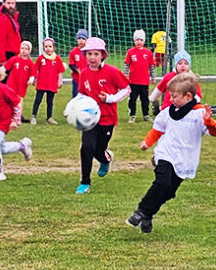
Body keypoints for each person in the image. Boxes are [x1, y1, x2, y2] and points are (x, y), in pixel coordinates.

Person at [126, 72, 216, 233]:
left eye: (174, 96)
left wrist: (209, 121)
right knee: (162, 183)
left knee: (169, 192)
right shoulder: (167, 112)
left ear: (188, 96)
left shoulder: (199, 113)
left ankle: (148, 215)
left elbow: (215, 131)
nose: (171, 99)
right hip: (165, 154)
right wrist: (147, 142)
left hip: (185, 160)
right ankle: (141, 211)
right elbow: (157, 130)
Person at [75, 37, 130, 194]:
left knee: (98, 150)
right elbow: (81, 93)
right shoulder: (84, 73)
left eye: (96, 54)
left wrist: (110, 98)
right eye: (89, 54)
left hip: (107, 118)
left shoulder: (111, 72)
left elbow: (126, 88)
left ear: (102, 56)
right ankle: (85, 182)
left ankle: (105, 159)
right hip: (89, 119)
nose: (92, 57)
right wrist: (74, 108)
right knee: (86, 147)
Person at [31, 37, 66, 124]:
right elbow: (36, 69)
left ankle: (49, 118)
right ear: (43, 47)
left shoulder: (57, 59)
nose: (48, 48)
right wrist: (34, 78)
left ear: (53, 47)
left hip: (52, 83)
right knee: (38, 100)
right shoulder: (41, 58)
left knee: (50, 101)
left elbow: (60, 71)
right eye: (46, 46)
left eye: (50, 46)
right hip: (42, 83)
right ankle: (33, 116)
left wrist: (60, 81)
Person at [124, 29, 156, 122]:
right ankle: (132, 115)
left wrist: (153, 77)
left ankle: (146, 115)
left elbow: (151, 66)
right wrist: (125, 76)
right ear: (134, 40)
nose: (139, 42)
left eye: (141, 40)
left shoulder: (148, 53)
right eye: (137, 39)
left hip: (144, 81)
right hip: (133, 81)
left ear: (144, 41)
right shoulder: (130, 52)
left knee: (145, 100)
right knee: (132, 99)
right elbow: (126, 65)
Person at [3, 40, 36, 122]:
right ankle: (7, 116)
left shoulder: (30, 63)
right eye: (22, 48)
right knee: (8, 100)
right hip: (11, 84)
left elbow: (33, 73)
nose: (24, 50)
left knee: (19, 101)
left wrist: (31, 79)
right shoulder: (14, 59)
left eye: (26, 49)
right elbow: (5, 67)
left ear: (29, 51)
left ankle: (17, 118)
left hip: (21, 86)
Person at [67, 29, 89, 97]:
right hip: (77, 78)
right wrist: (77, 70)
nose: (81, 40)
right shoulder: (73, 52)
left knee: (88, 94)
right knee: (76, 95)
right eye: (79, 38)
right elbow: (71, 64)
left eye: (83, 38)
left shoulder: (89, 51)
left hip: (88, 78)